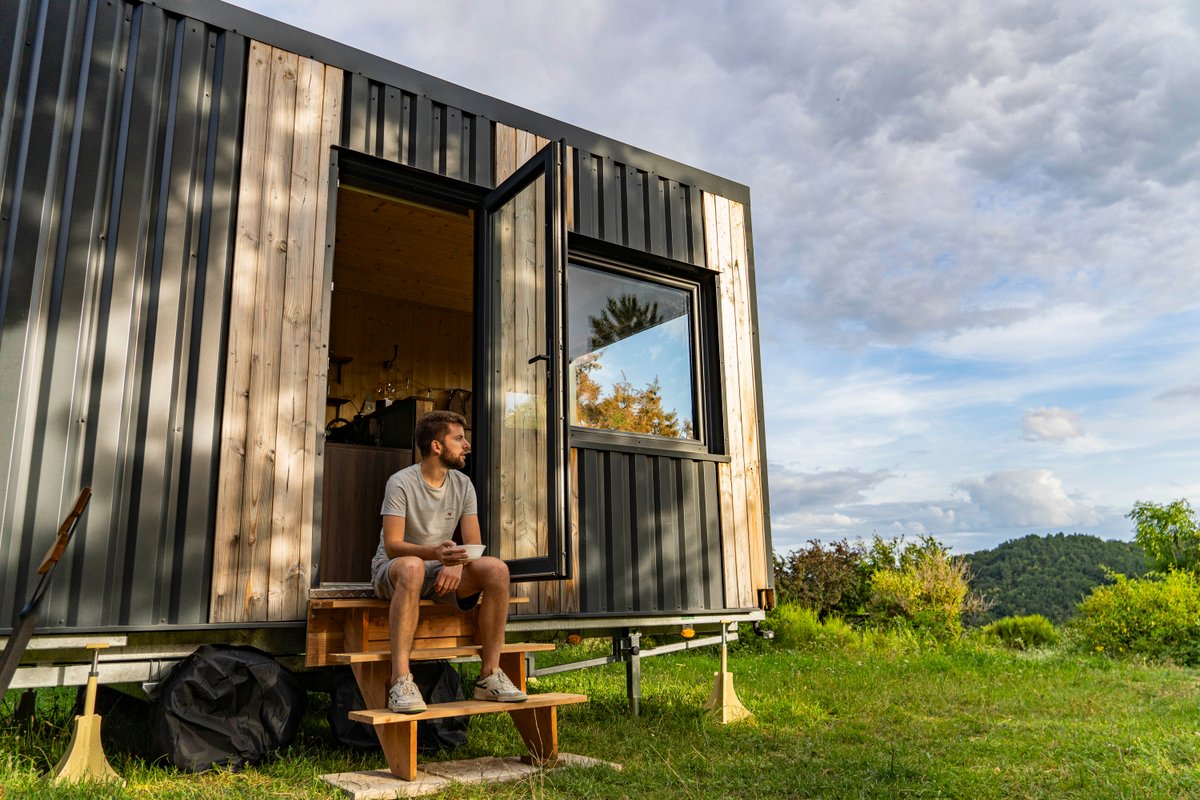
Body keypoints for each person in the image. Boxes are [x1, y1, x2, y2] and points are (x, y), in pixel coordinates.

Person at [370, 410, 527, 713]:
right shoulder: (401, 482)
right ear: (437, 446)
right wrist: (438, 555)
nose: (466, 444)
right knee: (414, 566)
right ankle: (400, 680)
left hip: (440, 570)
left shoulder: (463, 485)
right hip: (394, 570)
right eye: (459, 438)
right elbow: (392, 546)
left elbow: (473, 544)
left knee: (496, 569)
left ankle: (489, 676)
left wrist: (456, 562)